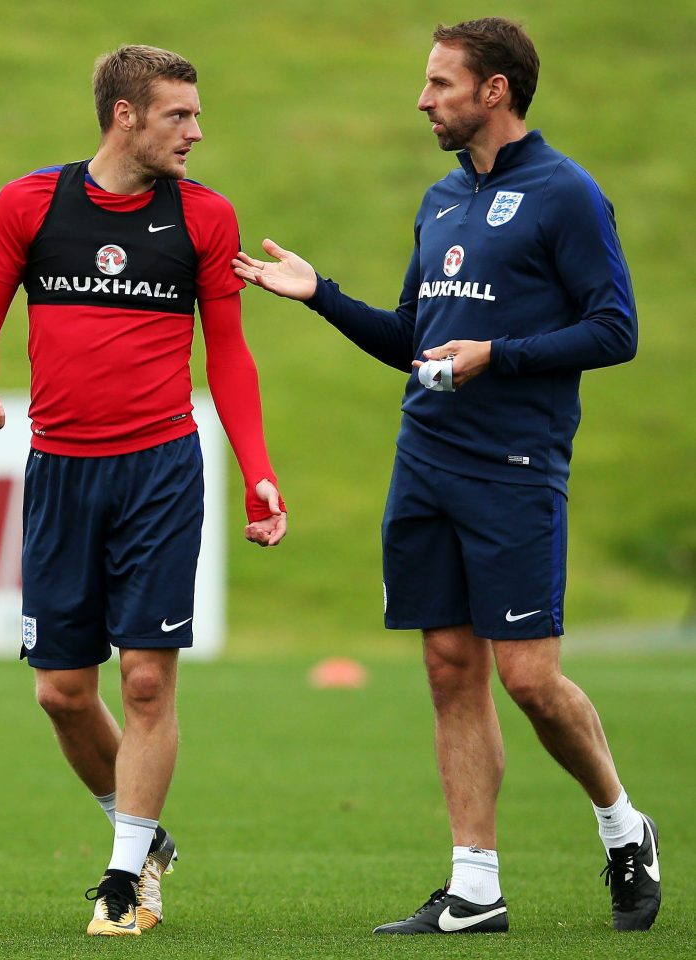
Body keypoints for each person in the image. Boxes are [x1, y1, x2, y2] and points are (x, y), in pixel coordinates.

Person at [233, 17, 659, 936]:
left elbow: (615, 330)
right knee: (446, 667)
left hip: (514, 467)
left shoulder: (566, 194)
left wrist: (495, 356)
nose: (423, 99)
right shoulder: (439, 198)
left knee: (532, 681)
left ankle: (624, 825)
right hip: (424, 462)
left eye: (441, 83)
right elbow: (415, 344)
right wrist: (323, 297)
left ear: (495, 90)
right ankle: (474, 886)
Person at [0, 44, 286, 937]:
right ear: (125, 116)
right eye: (180, 115)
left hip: (161, 471)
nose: (197, 132)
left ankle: (123, 879)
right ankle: (141, 836)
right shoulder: (29, 204)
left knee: (145, 682)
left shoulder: (206, 218)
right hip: (60, 470)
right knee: (62, 692)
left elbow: (232, 357)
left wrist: (256, 469)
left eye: (197, 114)